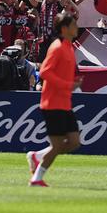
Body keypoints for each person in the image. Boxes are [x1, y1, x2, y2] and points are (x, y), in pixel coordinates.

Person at [28, 11, 82, 187]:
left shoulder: (68, 46)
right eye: (74, 24)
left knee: (74, 142)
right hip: (52, 103)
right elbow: (44, 72)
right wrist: (67, 85)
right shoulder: (57, 47)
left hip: (64, 102)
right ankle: (37, 178)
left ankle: (37, 156)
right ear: (65, 28)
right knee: (58, 145)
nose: (77, 27)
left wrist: (73, 82)